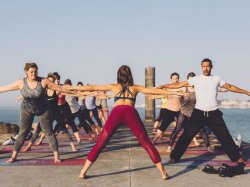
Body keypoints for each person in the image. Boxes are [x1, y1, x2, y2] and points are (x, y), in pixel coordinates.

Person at [66, 65, 184, 180]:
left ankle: (82, 172)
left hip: (116, 113)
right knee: (147, 144)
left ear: (118, 75)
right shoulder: (135, 87)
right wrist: (171, 93)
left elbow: (92, 88)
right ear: (130, 75)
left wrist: (71, 88)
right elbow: (154, 90)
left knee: (100, 143)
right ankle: (163, 172)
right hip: (130, 113)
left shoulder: (114, 86)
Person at [158, 58, 250, 167]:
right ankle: (174, 157)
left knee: (225, 136)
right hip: (198, 113)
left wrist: (246, 92)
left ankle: (237, 158)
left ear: (211, 67)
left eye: (208, 66)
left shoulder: (216, 79)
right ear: (201, 67)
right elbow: (179, 85)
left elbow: (229, 87)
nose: (205, 68)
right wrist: (165, 86)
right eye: (203, 66)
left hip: (214, 113)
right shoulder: (196, 79)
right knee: (186, 136)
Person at [0, 62, 76, 163]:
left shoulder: (43, 81)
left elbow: (60, 88)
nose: (34, 74)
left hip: (43, 109)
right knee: (23, 132)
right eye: (31, 72)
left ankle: (56, 156)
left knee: (48, 131)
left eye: (35, 71)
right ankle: (14, 156)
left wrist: (75, 92)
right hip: (26, 109)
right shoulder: (21, 82)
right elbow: (4, 88)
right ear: (26, 71)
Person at [167, 72, 210, 153]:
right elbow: (173, 90)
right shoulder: (184, 88)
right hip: (183, 112)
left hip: (194, 112)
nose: (191, 82)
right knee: (177, 129)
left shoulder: (198, 89)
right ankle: (169, 146)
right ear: (187, 80)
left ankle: (208, 147)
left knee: (200, 130)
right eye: (189, 80)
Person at [153, 72, 184, 144]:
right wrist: (153, 96)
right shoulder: (167, 88)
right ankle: (154, 140)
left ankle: (182, 142)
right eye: (174, 78)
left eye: (177, 78)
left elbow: (184, 99)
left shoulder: (181, 88)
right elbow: (159, 94)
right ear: (171, 79)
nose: (176, 80)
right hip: (169, 110)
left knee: (183, 126)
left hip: (178, 111)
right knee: (162, 127)